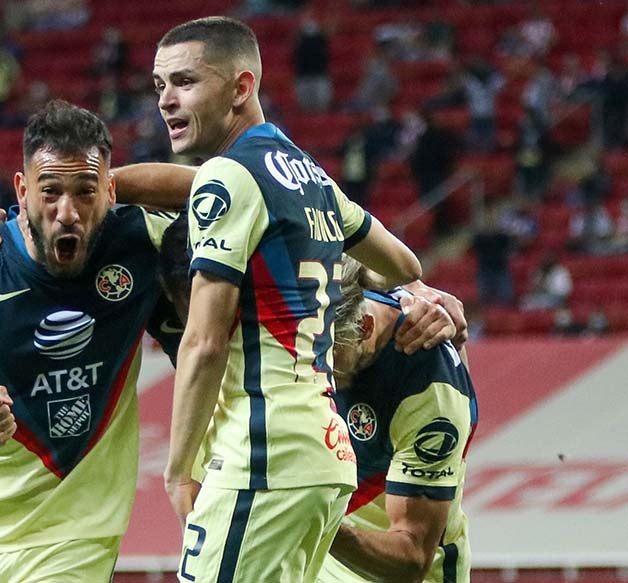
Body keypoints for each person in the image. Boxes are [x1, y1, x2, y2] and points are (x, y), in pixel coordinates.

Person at [152, 17, 421, 582]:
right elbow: (404, 264)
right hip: (323, 452)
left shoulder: (226, 176)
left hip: (263, 456)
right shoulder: (310, 174)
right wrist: (415, 295)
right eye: (160, 86)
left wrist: (178, 471)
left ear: (242, 88)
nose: (168, 102)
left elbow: (203, 341)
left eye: (185, 83)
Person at [0, 101, 183, 582]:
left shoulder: (143, 242)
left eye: (85, 192)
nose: (67, 213)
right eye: (50, 192)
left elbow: (230, 191)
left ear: (110, 190)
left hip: (73, 537)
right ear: (21, 189)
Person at [321, 258, 477, 583]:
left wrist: (306, 522)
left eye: (329, 355)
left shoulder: (429, 385)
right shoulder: (315, 324)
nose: (317, 370)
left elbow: (412, 557)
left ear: (363, 327)